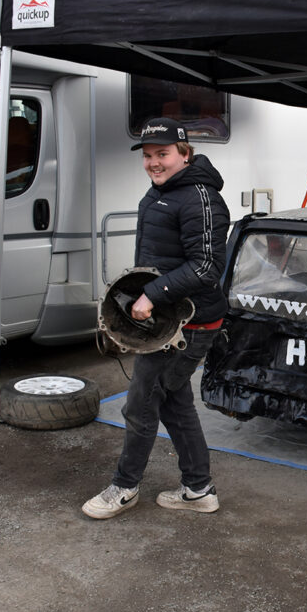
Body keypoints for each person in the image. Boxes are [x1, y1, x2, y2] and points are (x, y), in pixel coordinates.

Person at [83, 117, 230, 519]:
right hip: (166, 318)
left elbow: (206, 267)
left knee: (141, 405)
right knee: (173, 403)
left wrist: (152, 293)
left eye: (162, 154)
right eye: (147, 155)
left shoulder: (200, 198)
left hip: (190, 322)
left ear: (185, 153)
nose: (153, 162)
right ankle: (199, 489)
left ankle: (124, 487)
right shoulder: (162, 192)